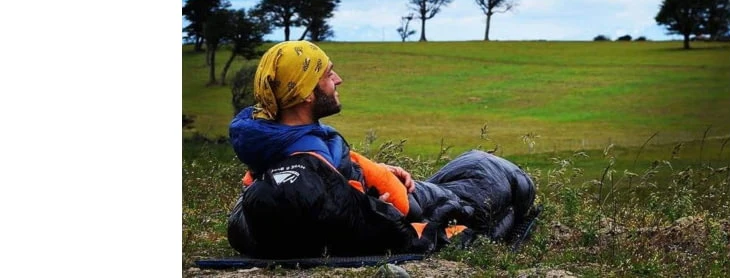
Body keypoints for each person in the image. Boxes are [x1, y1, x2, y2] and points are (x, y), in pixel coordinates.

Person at [227, 41, 536, 259]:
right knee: (504, 180)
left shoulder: (277, 141)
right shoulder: (298, 171)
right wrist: (376, 209)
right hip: (421, 210)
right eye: (328, 74)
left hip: (412, 195)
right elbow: (366, 224)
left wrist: (372, 171)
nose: (338, 80)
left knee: (481, 168)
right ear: (306, 93)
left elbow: (327, 179)